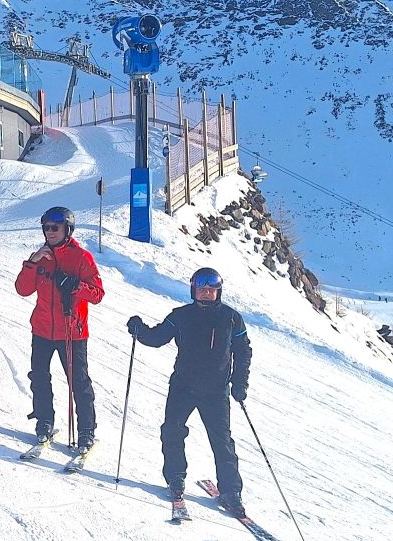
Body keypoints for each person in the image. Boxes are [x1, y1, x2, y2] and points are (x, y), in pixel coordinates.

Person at [126, 267, 253, 518]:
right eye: (201, 288)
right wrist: (139, 330)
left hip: (216, 391)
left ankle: (230, 491)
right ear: (193, 290)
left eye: (211, 289)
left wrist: (240, 382)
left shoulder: (231, 318)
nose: (206, 292)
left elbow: (243, 351)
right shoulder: (181, 316)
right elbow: (157, 338)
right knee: (172, 431)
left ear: (218, 291)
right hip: (183, 386)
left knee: (222, 442)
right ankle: (175, 477)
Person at [15, 206, 105, 453]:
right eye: (46, 228)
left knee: (79, 383)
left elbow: (98, 294)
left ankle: (86, 431)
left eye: (55, 227)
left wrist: (76, 286)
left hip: (72, 332)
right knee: (39, 378)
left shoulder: (82, 258)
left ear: (67, 229)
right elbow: (22, 289)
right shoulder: (39, 257)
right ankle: (45, 421)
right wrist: (31, 263)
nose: (50, 232)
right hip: (42, 330)